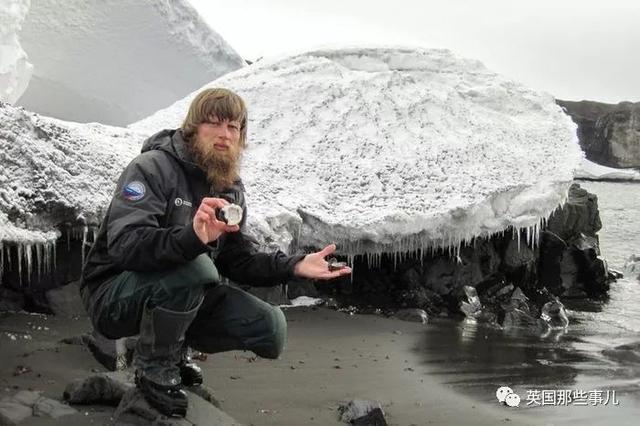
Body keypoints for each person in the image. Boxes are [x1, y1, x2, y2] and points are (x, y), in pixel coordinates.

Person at [79, 88, 352, 417]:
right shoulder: (151, 168)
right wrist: (191, 238)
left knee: (270, 328)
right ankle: (154, 367)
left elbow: (239, 261)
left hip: (179, 293)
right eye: (214, 124)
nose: (224, 135)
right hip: (113, 294)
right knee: (198, 269)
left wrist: (294, 266)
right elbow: (126, 246)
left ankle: (174, 349)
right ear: (193, 129)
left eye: (234, 127)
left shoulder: (229, 188)